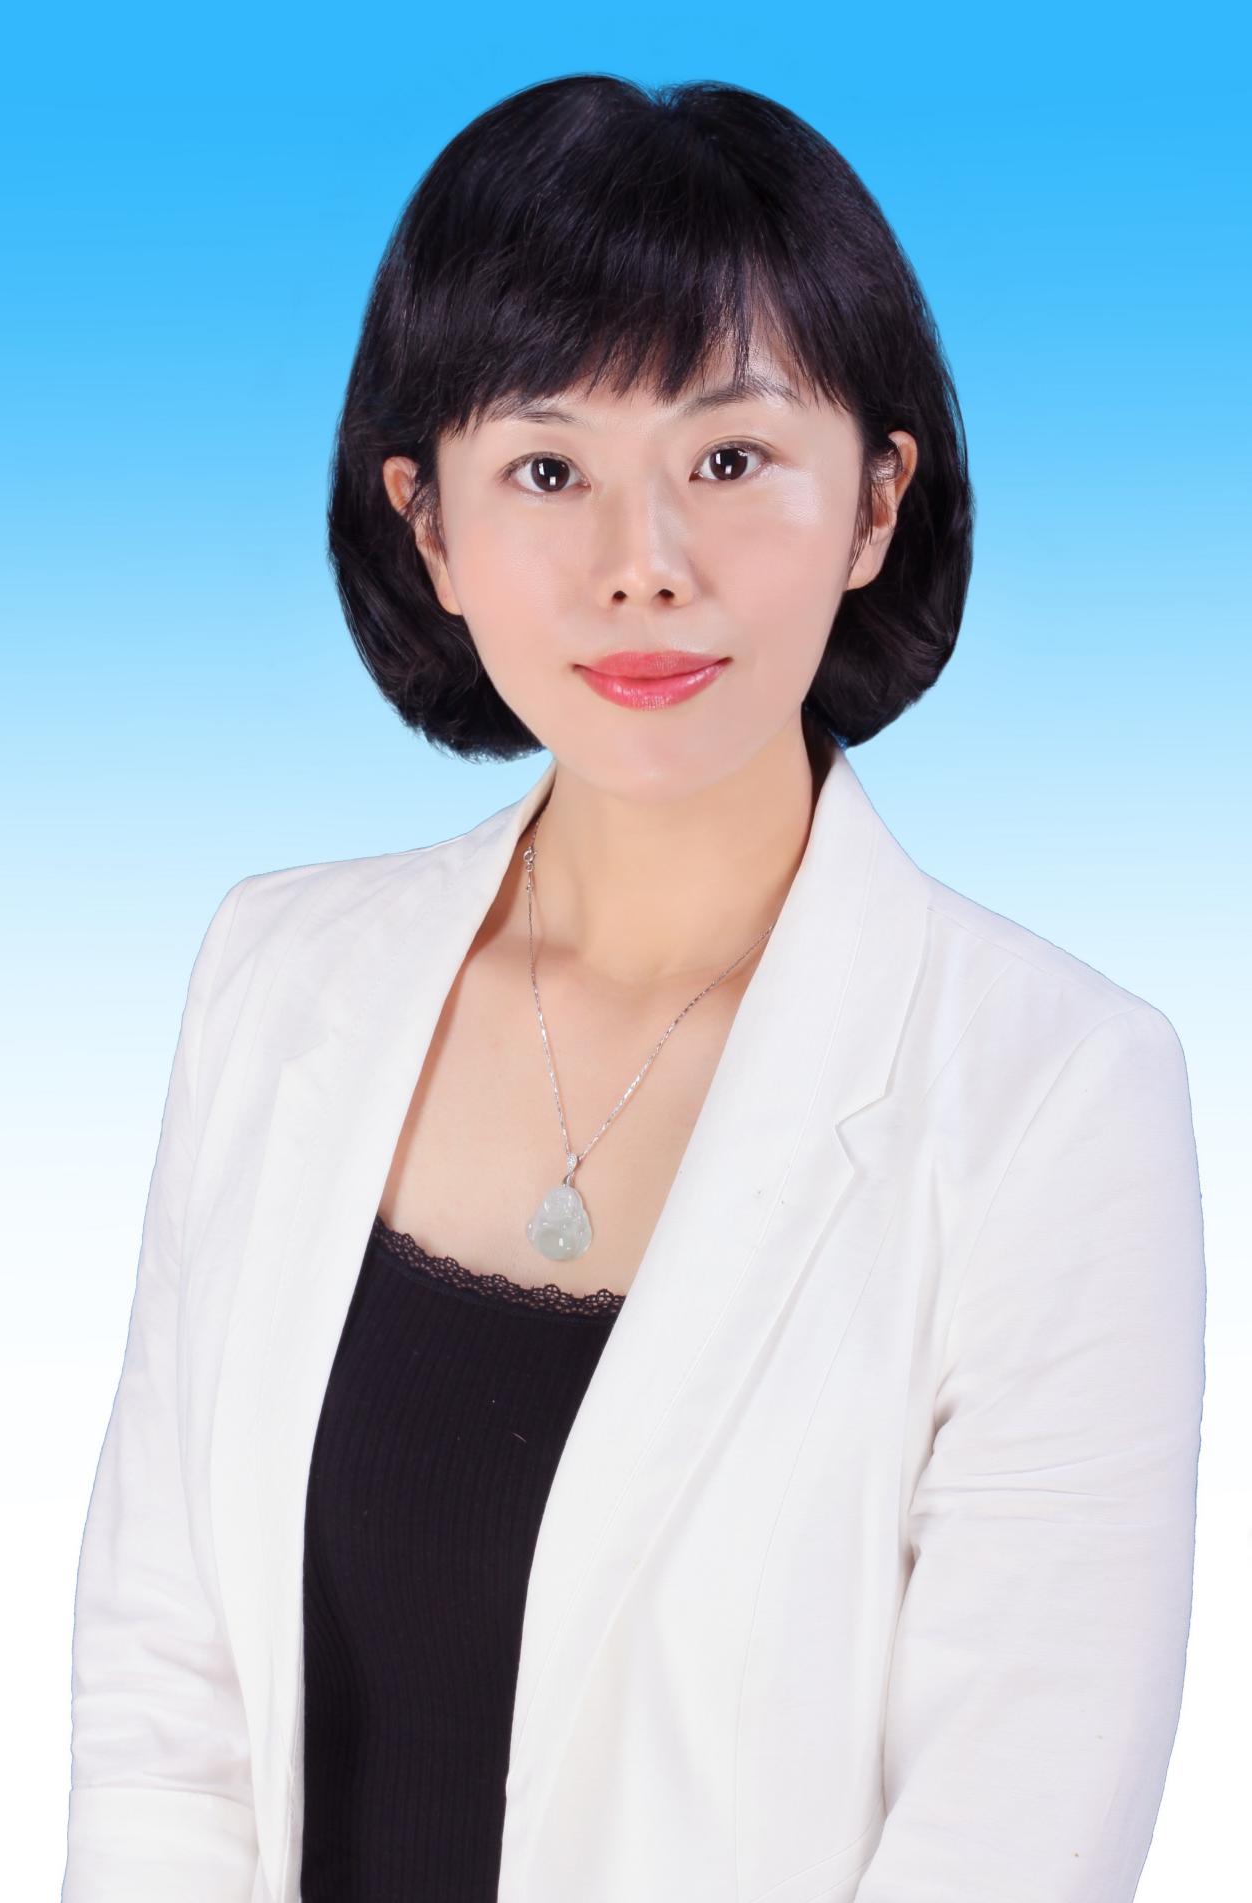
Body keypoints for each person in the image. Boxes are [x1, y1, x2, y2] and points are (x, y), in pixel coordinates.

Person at [62, 73, 1206, 1903]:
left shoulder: (1056, 1093)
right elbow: (162, 1701)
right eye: (547, 470)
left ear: (875, 502)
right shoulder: (272, 979)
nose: (642, 568)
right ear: (427, 526)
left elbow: (1011, 1833)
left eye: (728, 462)